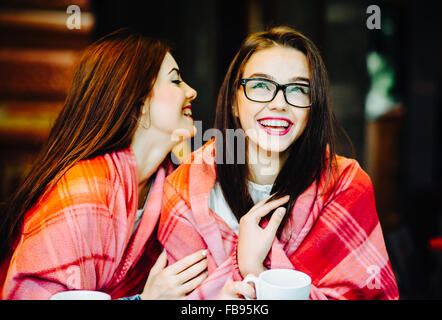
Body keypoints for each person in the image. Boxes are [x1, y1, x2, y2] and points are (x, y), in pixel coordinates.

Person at [158, 26, 399, 299]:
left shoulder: (346, 185)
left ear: (314, 106)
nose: (279, 103)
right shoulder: (186, 188)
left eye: (297, 89)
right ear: (234, 103)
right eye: (261, 85)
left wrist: (255, 270)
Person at [0, 28, 210, 300]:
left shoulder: (171, 184)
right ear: (139, 100)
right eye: (175, 81)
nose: (191, 91)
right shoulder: (83, 193)